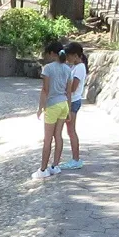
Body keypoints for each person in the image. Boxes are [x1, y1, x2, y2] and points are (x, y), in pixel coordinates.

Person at [32, 42, 71, 180]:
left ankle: (43, 169)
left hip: (52, 105)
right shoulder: (67, 69)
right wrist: (69, 110)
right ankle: (55, 166)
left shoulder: (47, 68)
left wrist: (40, 108)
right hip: (63, 104)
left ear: (52, 53)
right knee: (58, 136)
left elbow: (45, 90)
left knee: (47, 139)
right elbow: (69, 91)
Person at [61, 42, 88, 170]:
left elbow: (73, 88)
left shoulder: (80, 68)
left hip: (73, 100)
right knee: (70, 130)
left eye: (69, 56)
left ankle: (76, 159)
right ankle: (74, 158)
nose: (67, 59)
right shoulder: (76, 67)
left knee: (71, 131)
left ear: (76, 55)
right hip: (71, 100)